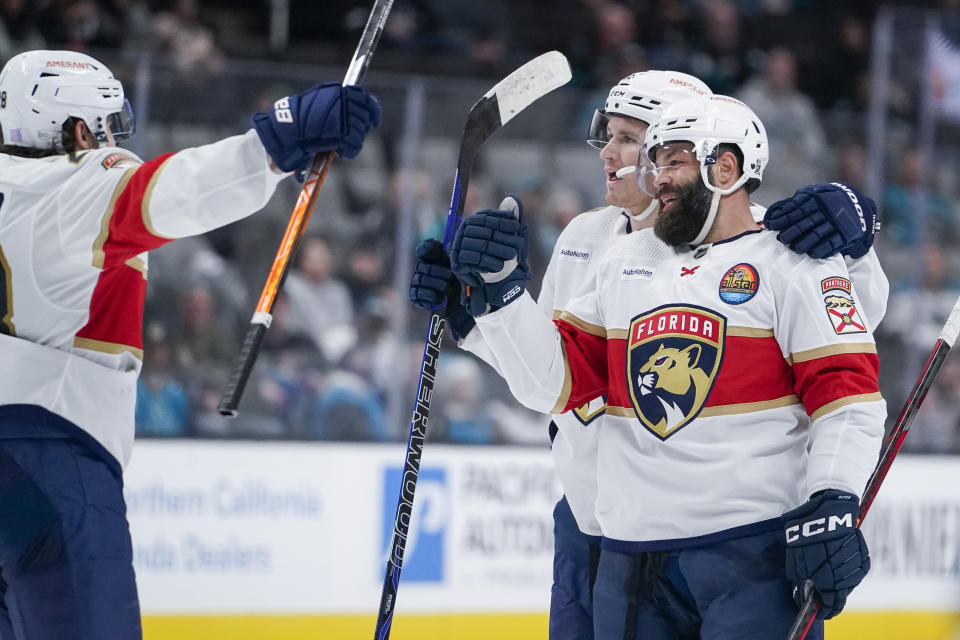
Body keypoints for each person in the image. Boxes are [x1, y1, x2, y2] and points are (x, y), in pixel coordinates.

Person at [410, 73, 888, 638]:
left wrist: (833, 498)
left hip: (744, 544)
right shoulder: (606, 250)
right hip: (614, 539)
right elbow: (554, 378)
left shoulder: (786, 252)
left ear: (724, 166)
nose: (647, 172)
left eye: (662, 154)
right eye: (649, 155)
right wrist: (489, 304)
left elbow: (846, 376)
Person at [0, 49, 381, 640]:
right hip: (51, 450)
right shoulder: (69, 185)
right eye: (106, 126)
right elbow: (175, 190)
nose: (115, 142)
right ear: (77, 129)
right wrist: (276, 140)